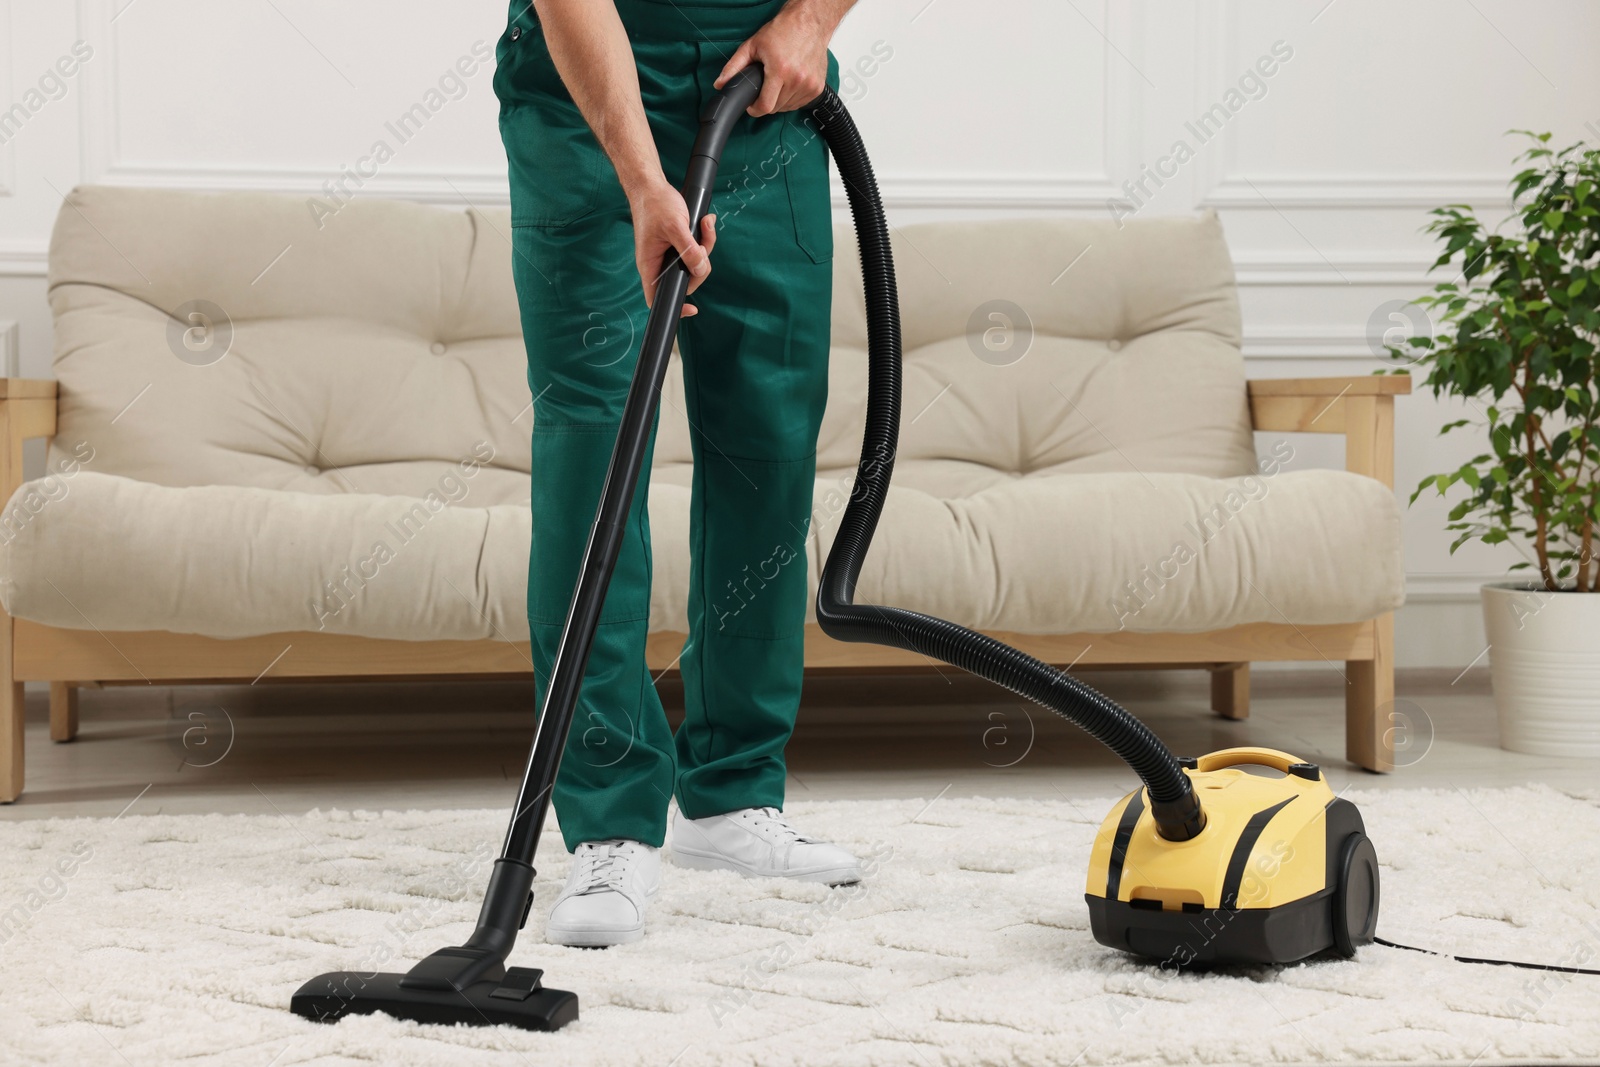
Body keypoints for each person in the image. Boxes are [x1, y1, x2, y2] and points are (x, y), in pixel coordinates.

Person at [493, 0, 861, 947]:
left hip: (765, 86)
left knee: (769, 429)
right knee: (596, 445)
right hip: (589, 95)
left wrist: (810, 24)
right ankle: (610, 821)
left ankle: (733, 794)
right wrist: (639, 178)